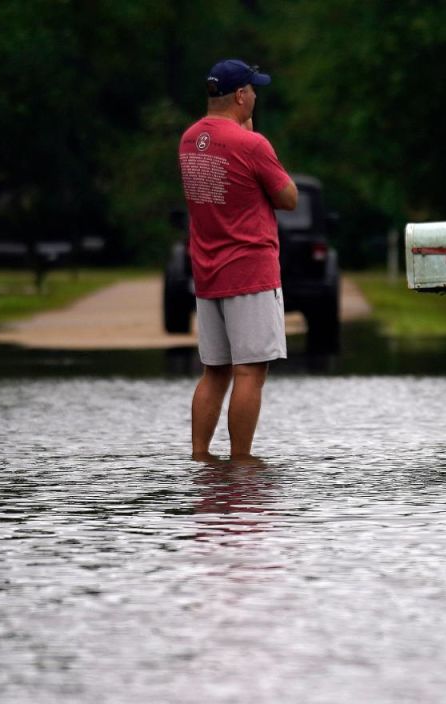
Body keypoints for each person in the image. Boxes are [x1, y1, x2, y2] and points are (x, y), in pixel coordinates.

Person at [178, 59, 297, 461]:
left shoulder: (189, 139)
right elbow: (289, 198)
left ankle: (200, 458)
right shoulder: (253, 144)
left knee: (215, 372)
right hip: (250, 271)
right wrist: (254, 138)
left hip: (208, 272)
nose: (257, 96)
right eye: (254, 89)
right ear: (241, 96)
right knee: (250, 371)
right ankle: (241, 460)